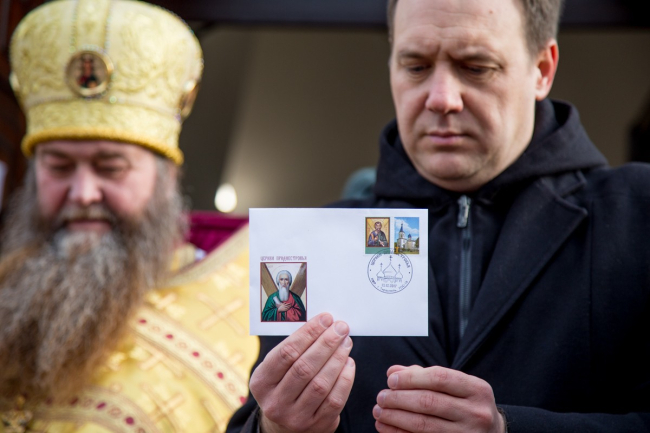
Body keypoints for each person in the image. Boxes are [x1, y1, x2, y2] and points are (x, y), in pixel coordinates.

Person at [227, 0, 650, 431]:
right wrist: (274, 427)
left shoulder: (637, 214)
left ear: (542, 69)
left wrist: (510, 428)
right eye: (415, 67)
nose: (441, 98)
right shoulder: (315, 244)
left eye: (476, 67)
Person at [1, 0, 258, 431]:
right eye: (59, 167)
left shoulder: (240, 313)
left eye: (110, 167)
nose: (83, 193)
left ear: (167, 179)